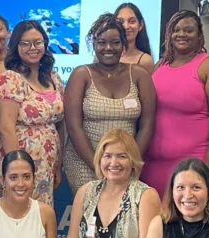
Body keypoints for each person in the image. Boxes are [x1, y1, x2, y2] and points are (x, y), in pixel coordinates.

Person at [64, 14, 156, 193]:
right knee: (89, 209)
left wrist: (131, 162)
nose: (108, 48)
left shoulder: (139, 75)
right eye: (102, 42)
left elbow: (148, 124)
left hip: (124, 164)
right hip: (85, 163)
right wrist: (98, 166)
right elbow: (74, 127)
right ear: (94, 44)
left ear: (123, 44)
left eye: (115, 42)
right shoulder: (81, 74)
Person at [140, 10, 209, 194]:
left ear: (199, 36)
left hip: (193, 165)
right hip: (153, 166)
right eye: (176, 30)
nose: (181, 34)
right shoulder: (160, 65)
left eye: (188, 30)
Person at [0, 20, 65, 205]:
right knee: (16, 213)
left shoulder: (53, 78)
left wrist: (58, 164)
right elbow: (5, 128)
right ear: (16, 47)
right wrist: (18, 170)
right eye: (25, 43)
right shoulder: (11, 78)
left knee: (40, 215)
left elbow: (60, 124)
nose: (32, 48)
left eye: (37, 42)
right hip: (19, 163)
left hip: (47, 163)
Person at [115, 3, 155, 71]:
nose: (126, 26)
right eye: (121, 22)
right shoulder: (105, 56)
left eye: (132, 21)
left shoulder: (145, 61)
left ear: (140, 25)